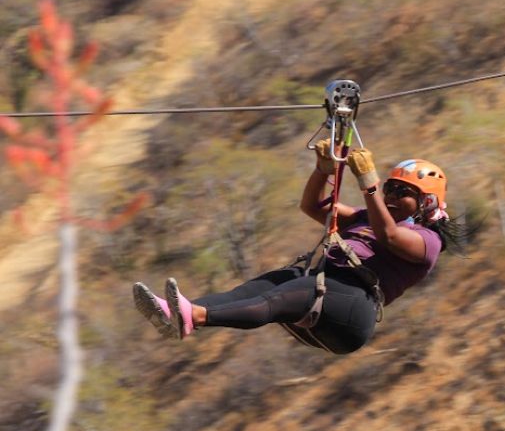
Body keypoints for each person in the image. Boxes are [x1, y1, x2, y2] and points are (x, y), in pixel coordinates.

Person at [132, 142, 458, 355]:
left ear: (426, 203)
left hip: (352, 311)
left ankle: (198, 317)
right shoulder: (365, 217)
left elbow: (388, 235)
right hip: (327, 297)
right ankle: (179, 313)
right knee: (268, 283)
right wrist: (323, 170)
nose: (390, 196)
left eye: (403, 192)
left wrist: (369, 184)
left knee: (297, 288)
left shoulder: (429, 242)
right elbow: (314, 206)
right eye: (391, 187)